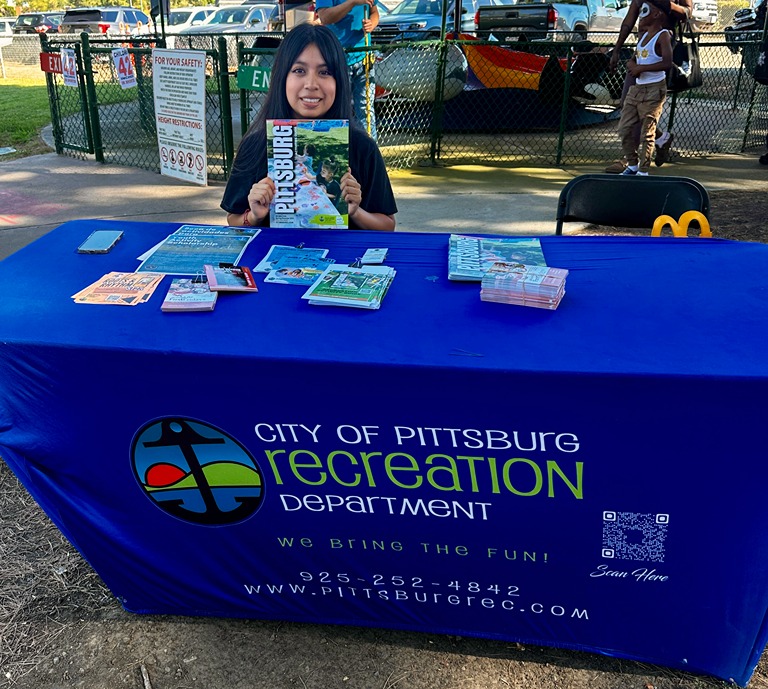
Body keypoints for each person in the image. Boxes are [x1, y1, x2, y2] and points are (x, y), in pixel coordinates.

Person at [221, 24, 397, 232]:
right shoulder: (255, 146)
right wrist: (254, 215)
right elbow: (233, 219)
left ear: (339, 81)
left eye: (325, 72)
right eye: (299, 70)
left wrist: (356, 212)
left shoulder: (362, 147)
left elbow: (387, 226)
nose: (311, 84)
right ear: (282, 78)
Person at [607, 0, 691, 171]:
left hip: (660, 50)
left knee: (644, 109)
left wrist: (666, 4)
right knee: (628, 103)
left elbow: (687, 13)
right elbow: (628, 21)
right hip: (642, 50)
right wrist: (617, 49)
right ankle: (661, 139)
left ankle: (630, 161)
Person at [616, 1, 672, 176]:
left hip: (654, 88)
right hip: (638, 88)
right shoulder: (643, 36)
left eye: (645, 11)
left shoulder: (663, 35)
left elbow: (667, 62)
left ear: (656, 14)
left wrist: (641, 69)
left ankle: (643, 170)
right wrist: (632, 64)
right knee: (624, 128)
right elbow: (636, 57)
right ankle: (632, 164)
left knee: (647, 132)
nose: (640, 15)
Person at [315, 0, 379, 140]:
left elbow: (374, 11)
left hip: (364, 57)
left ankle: (368, 149)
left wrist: (372, 23)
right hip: (336, 60)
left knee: (366, 109)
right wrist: (352, 2)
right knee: (337, 108)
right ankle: (337, 149)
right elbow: (325, 17)